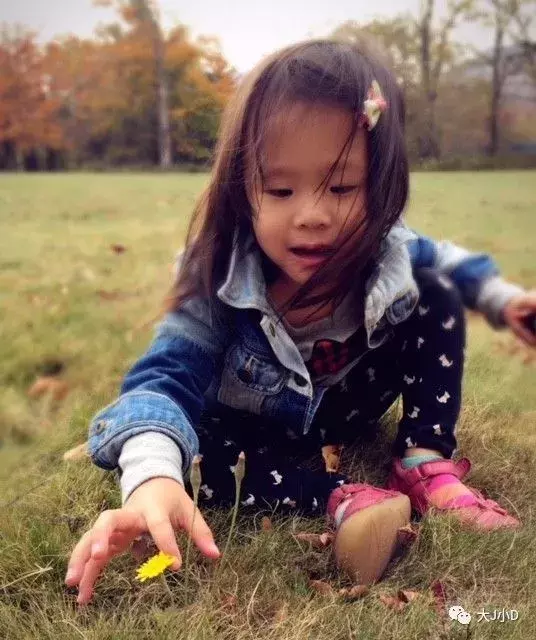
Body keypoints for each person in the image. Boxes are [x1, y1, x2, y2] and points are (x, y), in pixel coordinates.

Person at [65, 38, 536, 605]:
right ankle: (336, 496)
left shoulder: (387, 249)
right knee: (193, 459)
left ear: (380, 184)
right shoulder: (214, 278)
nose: (313, 215)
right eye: (281, 189)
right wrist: (152, 478)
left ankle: (422, 461)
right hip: (248, 431)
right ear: (244, 191)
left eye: (341, 187)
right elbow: (164, 380)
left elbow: (451, 264)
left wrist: (505, 300)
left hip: (344, 407)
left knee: (431, 289)